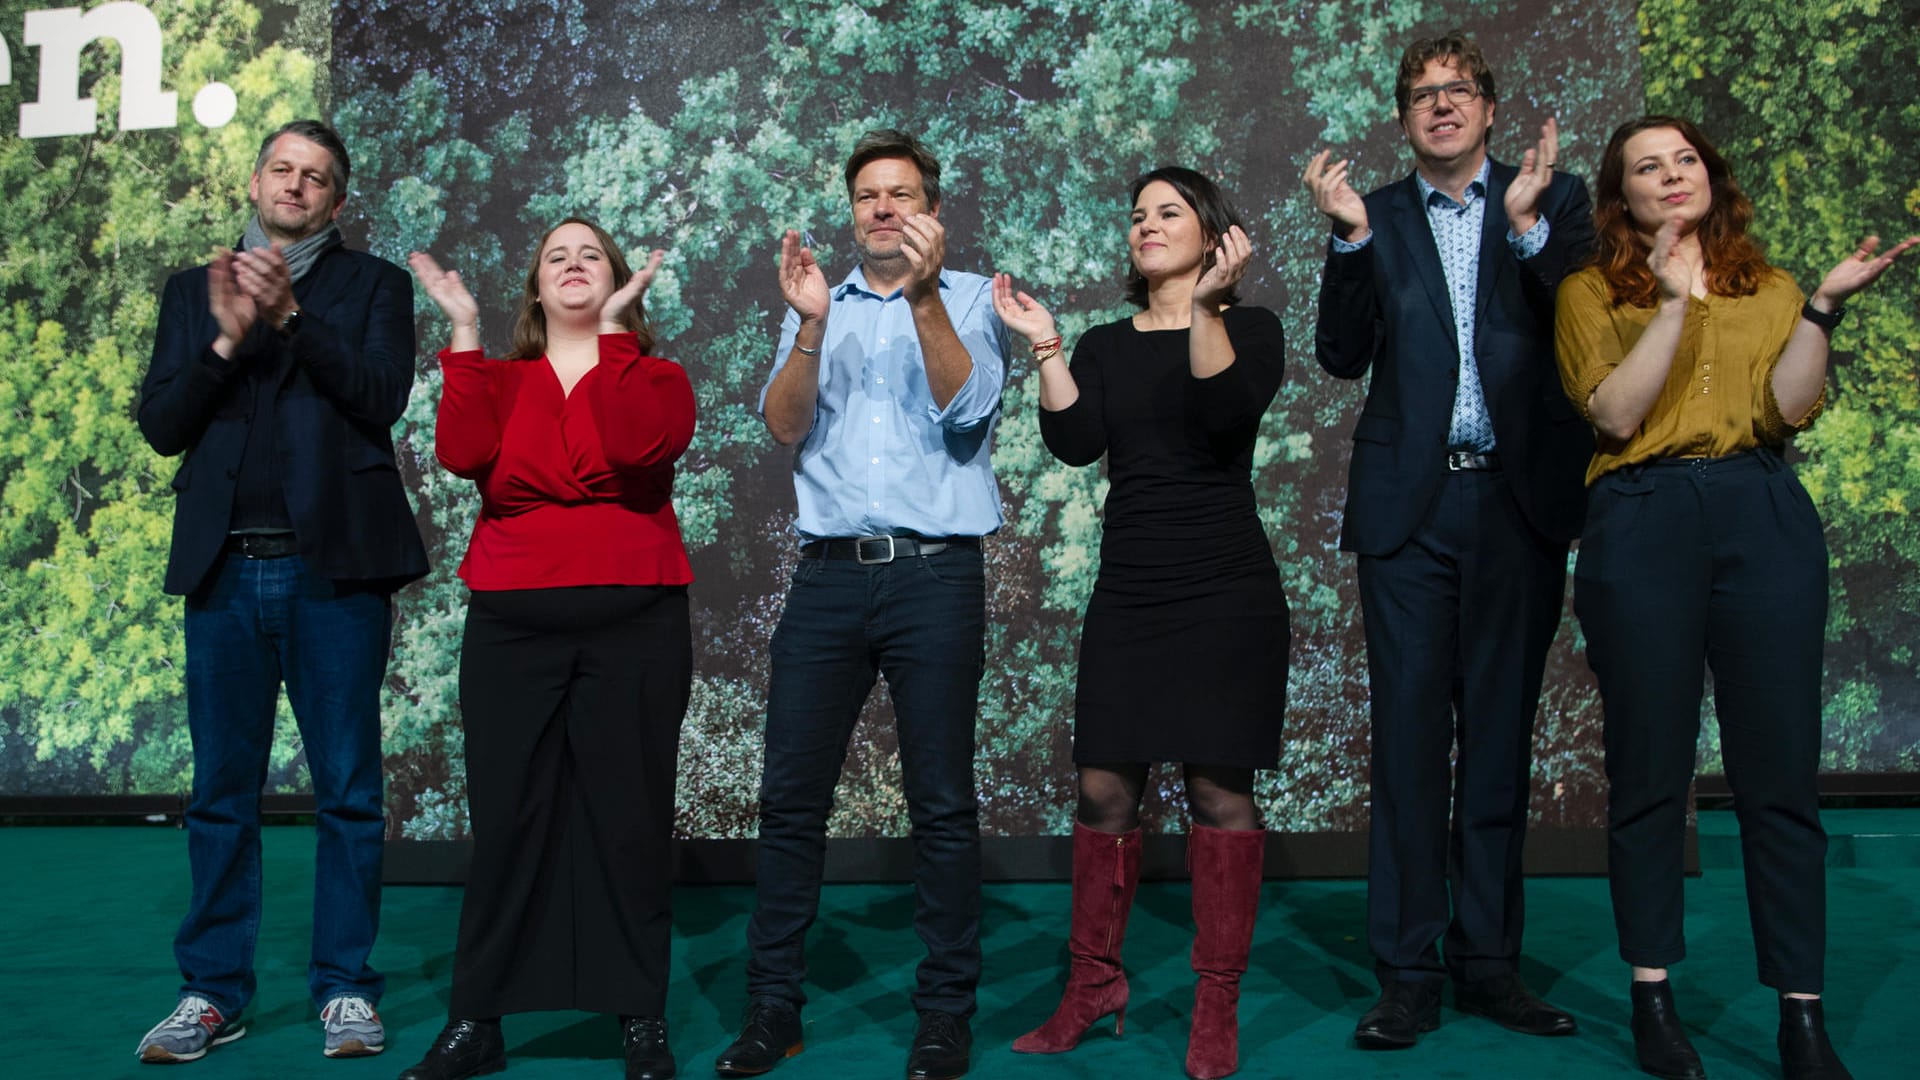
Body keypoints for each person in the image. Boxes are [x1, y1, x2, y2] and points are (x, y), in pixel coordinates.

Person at [1555, 115, 1915, 1080]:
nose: (1672, 175)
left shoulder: (1773, 286)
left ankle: (1803, 1013)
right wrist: (1671, 305)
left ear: (1710, 176)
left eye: (1685, 160)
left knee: (1781, 775)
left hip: (1761, 511)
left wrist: (1825, 310)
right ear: (1620, 197)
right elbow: (1617, 414)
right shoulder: (1589, 292)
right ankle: (1653, 995)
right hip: (1640, 516)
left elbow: (1786, 409)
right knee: (1649, 771)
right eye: (1647, 167)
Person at [1301, 29, 1595, 1049]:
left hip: (1516, 505)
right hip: (1408, 515)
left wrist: (1523, 235)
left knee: (1501, 743)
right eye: (1422, 94)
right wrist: (1346, 243)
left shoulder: (1551, 201)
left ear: (1488, 104)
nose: (1440, 106)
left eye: (1457, 89)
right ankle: (1408, 974)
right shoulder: (1371, 214)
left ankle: (1490, 966)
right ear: (1403, 115)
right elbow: (1341, 356)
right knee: (1411, 746)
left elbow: (1588, 325)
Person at [714, 129, 1007, 1080]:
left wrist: (922, 299)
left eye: (903, 194)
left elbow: (968, 412)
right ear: (852, 213)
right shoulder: (818, 302)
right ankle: (772, 1011)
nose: (883, 208)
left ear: (933, 210)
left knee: (943, 807)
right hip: (828, 576)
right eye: (869, 196)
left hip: (936, 577)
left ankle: (943, 1016)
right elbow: (784, 425)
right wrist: (806, 327)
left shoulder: (971, 298)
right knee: (790, 801)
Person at [134, 118, 428, 1065]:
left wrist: (293, 317)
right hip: (223, 572)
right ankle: (212, 993)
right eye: (282, 170)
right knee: (222, 793)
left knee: (346, 789)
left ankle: (345, 988)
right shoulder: (194, 291)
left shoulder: (372, 284)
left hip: (332, 575)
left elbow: (381, 396)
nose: (295, 186)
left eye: (316, 178)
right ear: (255, 181)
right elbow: (163, 426)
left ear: (338, 202)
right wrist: (225, 341)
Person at [993, 167, 1288, 1080]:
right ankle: (1091, 986)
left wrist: (1206, 309)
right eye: (1137, 216)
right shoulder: (1104, 345)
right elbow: (1075, 444)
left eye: (1170, 213)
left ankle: (1216, 999)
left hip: (1226, 590)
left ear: (1213, 234)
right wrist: (1045, 346)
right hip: (1131, 592)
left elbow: (1218, 414)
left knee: (1216, 793)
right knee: (1103, 792)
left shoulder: (1253, 330)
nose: (1147, 226)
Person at [398, 218, 695, 1080]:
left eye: (590, 255)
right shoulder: (494, 376)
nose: (572, 264)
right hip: (511, 618)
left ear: (618, 280)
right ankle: (476, 1022)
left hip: (635, 617)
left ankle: (639, 1016)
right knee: (506, 823)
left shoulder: (657, 374)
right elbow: (460, 454)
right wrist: (461, 333)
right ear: (535, 287)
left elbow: (634, 448)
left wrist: (611, 342)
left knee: (630, 821)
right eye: (555, 256)